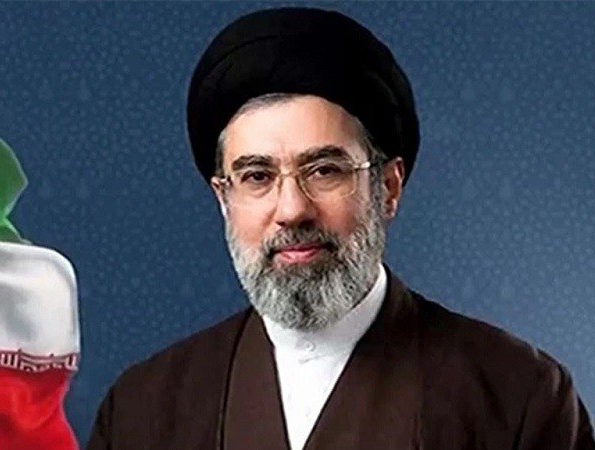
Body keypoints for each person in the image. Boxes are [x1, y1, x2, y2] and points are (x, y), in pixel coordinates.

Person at [87, 7, 595, 450]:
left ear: (388, 187)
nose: (292, 210)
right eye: (257, 176)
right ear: (224, 198)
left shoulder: (518, 398)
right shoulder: (142, 412)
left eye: (325, 170)